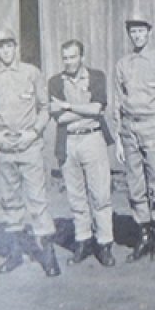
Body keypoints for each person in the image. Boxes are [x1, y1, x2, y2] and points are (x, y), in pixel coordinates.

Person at [0, 27, 60, 277]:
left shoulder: (31, 73)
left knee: (37, 200)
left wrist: (34, 132)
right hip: (5, 149)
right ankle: (14, 253)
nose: (6, 51)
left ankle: (47, 255)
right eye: (0, 47)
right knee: (10, 201)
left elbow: (45, 107)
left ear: (16, 48)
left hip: (29, 146)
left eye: (9, 46)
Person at [113, 13, 155, 261]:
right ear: (129, 34)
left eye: (141, 31)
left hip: (154, 128)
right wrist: (119, 136)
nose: (137, 35)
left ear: (149, 32)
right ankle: (144, 235)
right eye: (133, 31)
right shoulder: (122, 64)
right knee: (135, 184)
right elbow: (118, 101)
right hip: (130, 129)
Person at [49, 39, 116, 267]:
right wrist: (84, 109)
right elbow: (59, 118)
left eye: (73, 57)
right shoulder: (55, 82)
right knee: (76, 197)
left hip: (92, 138)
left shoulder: (97, 77)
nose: (69, 62)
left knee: (100, 195)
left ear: (82, 57)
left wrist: (68, 106)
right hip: (68, 142)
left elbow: (98, 109)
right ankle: (83, 241)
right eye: (65, 57)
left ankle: (105, 243)